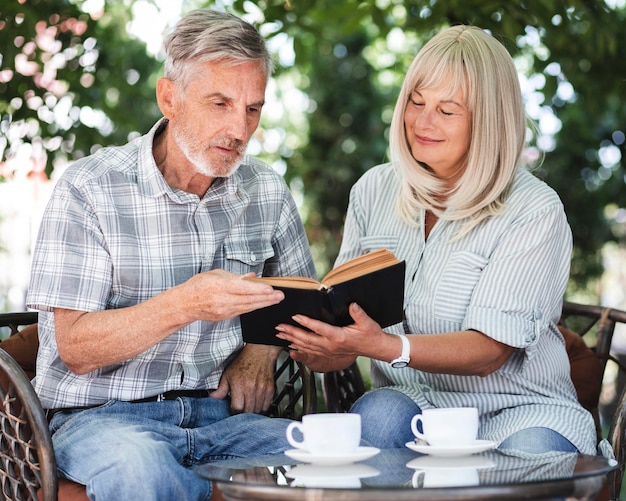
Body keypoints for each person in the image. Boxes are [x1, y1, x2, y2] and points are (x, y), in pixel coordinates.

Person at [26, 9, 315, 501]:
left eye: (252, 109)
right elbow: (73, 347)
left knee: (324, 457)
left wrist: (260, 351)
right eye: (220, 103)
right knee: (143, 469)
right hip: (101, 422)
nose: (239, 129)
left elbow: (303, 303)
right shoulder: (89, 188)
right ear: (169, 97)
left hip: (223, 421)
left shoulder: (266, 190)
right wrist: (186, 304)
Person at [275, 25, 597, 455]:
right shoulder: (373, 190)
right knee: (374, 421)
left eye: (447, 111)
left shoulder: (534, 209)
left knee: (532, 457)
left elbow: (489, 353)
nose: (422, 122)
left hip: (520, 409)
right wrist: (323, 348)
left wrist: (384, 346)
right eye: (416, 101)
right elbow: (347, 328)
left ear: (489, 121)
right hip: (415, 402)